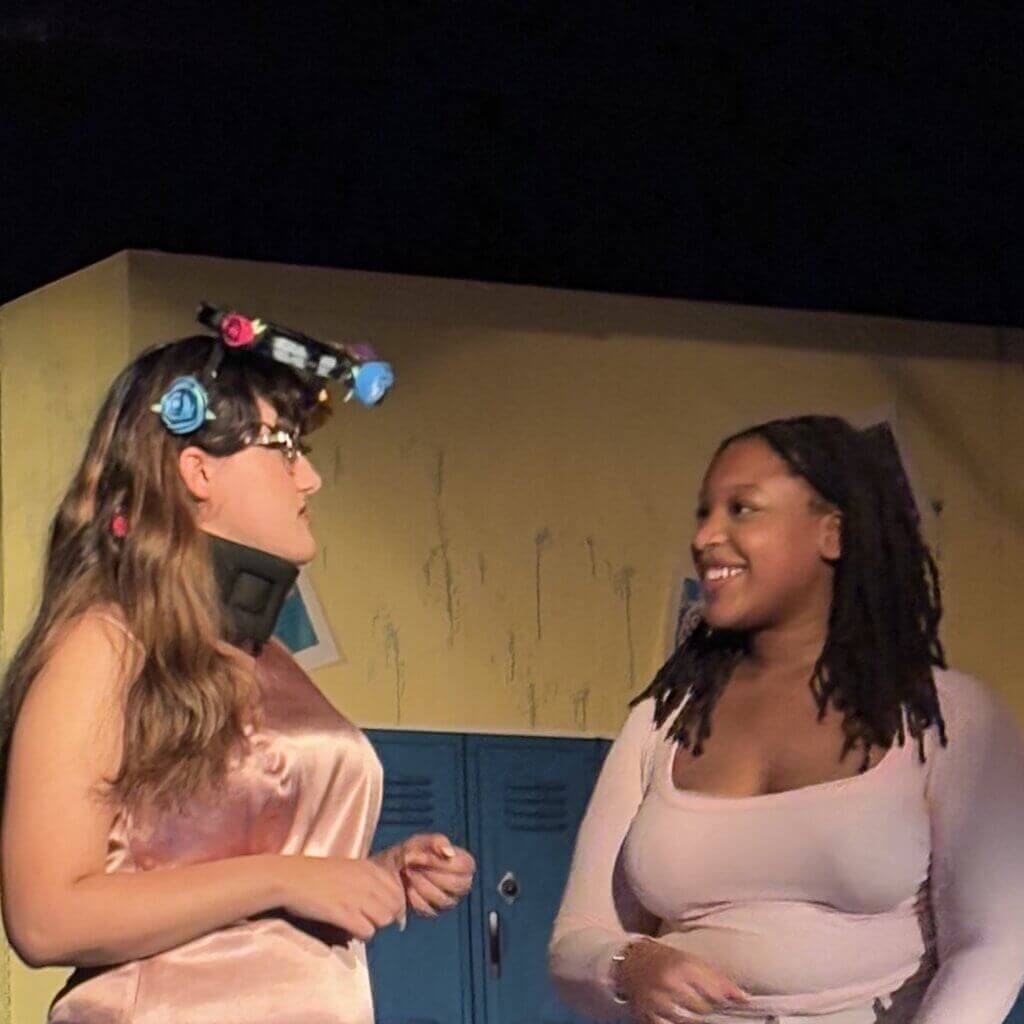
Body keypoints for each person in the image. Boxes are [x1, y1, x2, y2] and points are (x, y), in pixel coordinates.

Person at [0, 309, 475, 1024]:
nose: (309, 479)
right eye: (285, 449)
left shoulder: (266, 654)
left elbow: (230, 864)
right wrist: (287, 878)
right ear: (198, 472)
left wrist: (367, 876)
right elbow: (44, 918)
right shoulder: (103, 646)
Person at [549, 415, 1024, 1024]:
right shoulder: (660, 723)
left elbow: (990, 946)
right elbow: (576, 938)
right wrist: (627, 965)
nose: (705, 536)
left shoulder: (950, 719)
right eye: (705, 512)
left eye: (743, 509)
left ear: (832, 534)